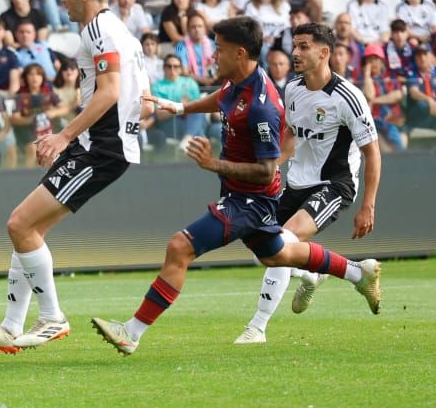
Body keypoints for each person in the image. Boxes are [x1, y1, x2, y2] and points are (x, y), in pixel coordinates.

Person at [95, 18, 382, 356]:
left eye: (219, 49)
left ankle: (134, 331)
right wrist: (181, 107)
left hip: (263, 197)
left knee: (180, 248)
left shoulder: (265, 105)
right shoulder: (270, 86)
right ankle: (355, 273)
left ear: (240, 52)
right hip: (273, 186)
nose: (213, 55)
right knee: (280, 254)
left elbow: (264, 171)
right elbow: (227, 98)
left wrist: (214, 163)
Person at [0, 0, 149, 354]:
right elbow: (141, 100)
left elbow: (110, 92)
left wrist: (65, 135)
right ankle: (11, 326)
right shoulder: (122, 33)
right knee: (27, 230)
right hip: (102, 144)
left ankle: (51, 318)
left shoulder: (99, 29)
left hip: (100, 148)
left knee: (20, 223)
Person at [233, 22, 382, 343]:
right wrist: (271, 165)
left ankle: (257, 327)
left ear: (323, 52)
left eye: (303, 47)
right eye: (295, 46)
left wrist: (368, 205)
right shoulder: (293, 88)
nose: (295, 52)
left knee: (282, 242)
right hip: (296, 184)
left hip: (334, 184)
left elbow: (373, 152)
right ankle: (331, 273)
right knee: (260, 249)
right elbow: (290, 135)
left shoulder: (349, 98)